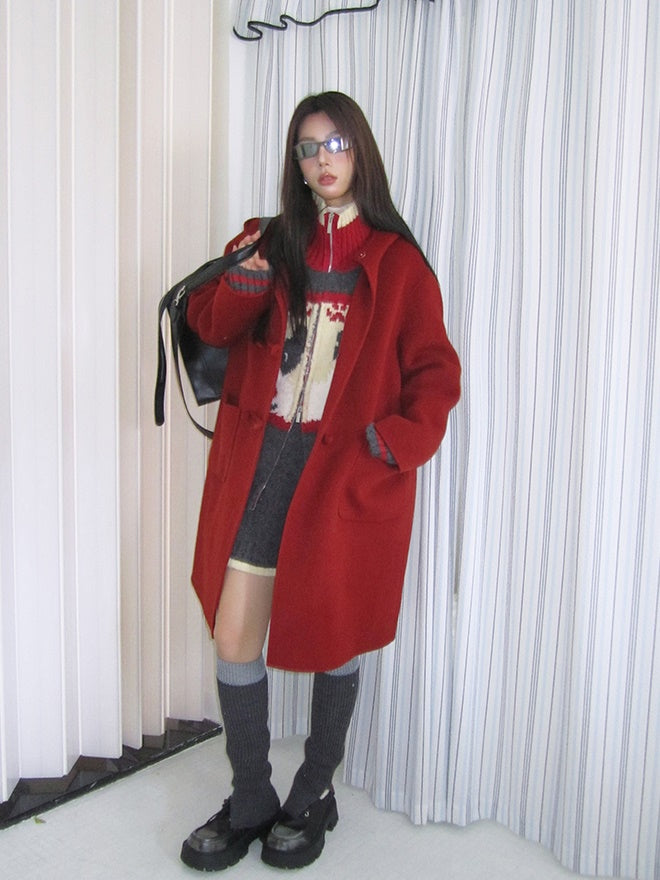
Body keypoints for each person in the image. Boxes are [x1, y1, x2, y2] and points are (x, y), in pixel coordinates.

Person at [179, 91, 461, 872]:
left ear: (359, 151)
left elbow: (435, 375)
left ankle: (313, 791)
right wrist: (248, 278)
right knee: (235, 633)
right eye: (307, 147)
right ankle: (250, 796)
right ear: (296, 165)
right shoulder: (267, 241)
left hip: (343, 477)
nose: (322, 158)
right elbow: (209, 324)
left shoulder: (398, 263)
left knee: (338, 633)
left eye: (335, 142)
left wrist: (391, 444)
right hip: (261, 466)